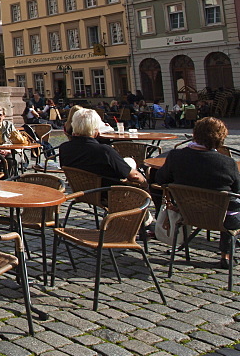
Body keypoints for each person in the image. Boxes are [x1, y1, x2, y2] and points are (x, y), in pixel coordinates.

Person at [154, 117, 240, 268]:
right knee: (232, 205)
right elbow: (237, 190)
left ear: (195, 134)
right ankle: (226, 254)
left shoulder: (175, 156)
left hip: (187, 212)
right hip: (220, 217)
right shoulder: (227, 163)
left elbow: (160, 179)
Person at [59, 109, 146, 186]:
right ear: (96, 131)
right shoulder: (104, 151)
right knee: (130, 163)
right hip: (110, 194)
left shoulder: (63, 148)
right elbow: (134, 176)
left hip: (81, 190)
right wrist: (146, 183)